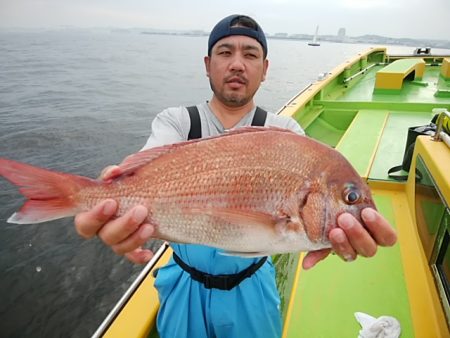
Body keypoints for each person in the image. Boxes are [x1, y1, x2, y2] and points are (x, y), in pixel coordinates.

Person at [74, 14, 397, 338]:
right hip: (183, 283)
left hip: (253, 284)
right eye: (226, 52)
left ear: (265, 68)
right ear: (207, 63)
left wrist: (338, 231)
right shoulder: (176, 122)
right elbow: (145, 161)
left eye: (251, 54)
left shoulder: (288, 133)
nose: (237, 64)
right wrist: (112, 188)